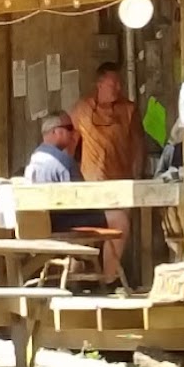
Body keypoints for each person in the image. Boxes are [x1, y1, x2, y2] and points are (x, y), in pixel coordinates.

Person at [69, 61, 139, 286]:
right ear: (99, 84)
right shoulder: (82, 110)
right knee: (86, 235)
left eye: (120, 83)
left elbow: (139, 146)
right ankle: (77, 279)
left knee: (118, 227)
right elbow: (70, 147)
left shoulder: (129, 110)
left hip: (121, 185)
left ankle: (108, 280)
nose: (118, 88)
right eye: (113, 84)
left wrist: (136, 176)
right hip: (90, 186)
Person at [25, 111, 108, 234]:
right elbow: (81, 198)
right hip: (61, 222)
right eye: (69, 128)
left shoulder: (35, 157)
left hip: (40, 222)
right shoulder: (63, 161)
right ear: (54, 131)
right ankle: (108, 254)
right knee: (118, 217)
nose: (74, 133)